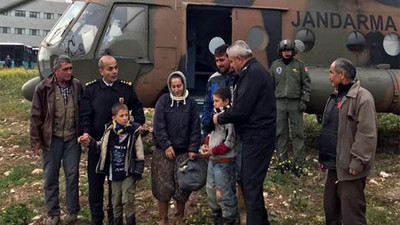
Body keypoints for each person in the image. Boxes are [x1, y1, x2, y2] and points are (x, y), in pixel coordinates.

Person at [213, 40, 276, 225]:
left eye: (231, 62)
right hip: (254, 137)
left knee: (250, 186)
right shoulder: (253, 72)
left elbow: (242, 110)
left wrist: (220, 118)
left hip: (258, 137)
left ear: (239, 59)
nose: (231, 66)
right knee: (250, 184)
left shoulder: (253, 74)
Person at [79, 55, 145, 225]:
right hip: (98, 145)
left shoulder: (125, 89)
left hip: (119, 148)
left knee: (115, 185)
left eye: (116, 67)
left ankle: (113, 219)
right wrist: (86, 134)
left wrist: (138, 125)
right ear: (101, 71)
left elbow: (137, 107)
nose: (114, 71)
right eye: (110, 69)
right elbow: (85, 115)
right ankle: (96, 219)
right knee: (95, 184)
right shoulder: (91, 90)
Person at [319, 58, 377, 225]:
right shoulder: (335, 96)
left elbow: (367, 133)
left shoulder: (362, 98)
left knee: (352, 216)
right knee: (331, 211)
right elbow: (329, 128)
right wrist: (323, 157)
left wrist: (358, 160)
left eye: (331, 72)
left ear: (341, 74)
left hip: (350, 169)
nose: (329, 76)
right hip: (334, 165)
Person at [30, 55, 84, 225]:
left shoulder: (77, 86)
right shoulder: (43, 88)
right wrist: (36, 141)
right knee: (51, 177)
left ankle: (72, 211)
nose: (69, 72)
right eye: (65, 69)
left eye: (71, 68)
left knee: (72, 176)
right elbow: (36, 116)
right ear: (55, 70)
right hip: (51, 140)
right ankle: (53, 213)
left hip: (72, 140)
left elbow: (84, 112)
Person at [152, 71, 201, 225]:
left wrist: (193, 148)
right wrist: (166, 145)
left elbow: (195, 127)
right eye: (173, 86)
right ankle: (163, 219)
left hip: (183, 151)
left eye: (178, 86)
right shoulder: (163, 101)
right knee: (163, 186)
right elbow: (158, 125)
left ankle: (179, 218)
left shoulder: (191, 103)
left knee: (182, 187)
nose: (176, 89)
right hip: (164, 152)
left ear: (184, 85)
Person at [84, 103, 144, 225]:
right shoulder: (109, 131)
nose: (125, 118)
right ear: (114, 117)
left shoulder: (133, 132)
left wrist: (138, 172)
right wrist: (90, 142)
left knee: (128, 200)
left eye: (126, 115)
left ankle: (131, 221)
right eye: (121, 115)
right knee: (115, 202)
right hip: (114, 172)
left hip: (128, 171)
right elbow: (102, 145)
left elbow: (140, 154)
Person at [270, 39, 311, 177]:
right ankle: (282, 162)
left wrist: (304, 100)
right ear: (280, 52)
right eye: (284, 50)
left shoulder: (300, 66)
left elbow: (306, 85)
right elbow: (270, 85)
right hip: (279, 103)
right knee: (280, 133)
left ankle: (298, 163)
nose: (286, 53)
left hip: (295, 103)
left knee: (298, 134)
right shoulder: (275, 66)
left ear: (293, 51)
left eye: (289, 50)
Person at [201, 87, 238, 225]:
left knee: (224, 191)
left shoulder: (229, 118)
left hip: (224, 161)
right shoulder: (215, 115)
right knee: (210, 189)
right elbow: (211, 133)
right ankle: (216, 214)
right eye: (213, 101)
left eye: (217, 101)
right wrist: (206, 145)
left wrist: (213, 151)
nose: (214, 104)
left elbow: (230, 142)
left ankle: (230, 218)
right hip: (212, 160)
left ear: (226, 101)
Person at [202, 44, 237, 136]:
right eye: (217, 61)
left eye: (222, 60)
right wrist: (206, 127)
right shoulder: (213, 79)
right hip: (217, 128)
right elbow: (208, 104)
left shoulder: (240, 76)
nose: (219, 64)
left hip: (235, 128)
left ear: (229, 58)